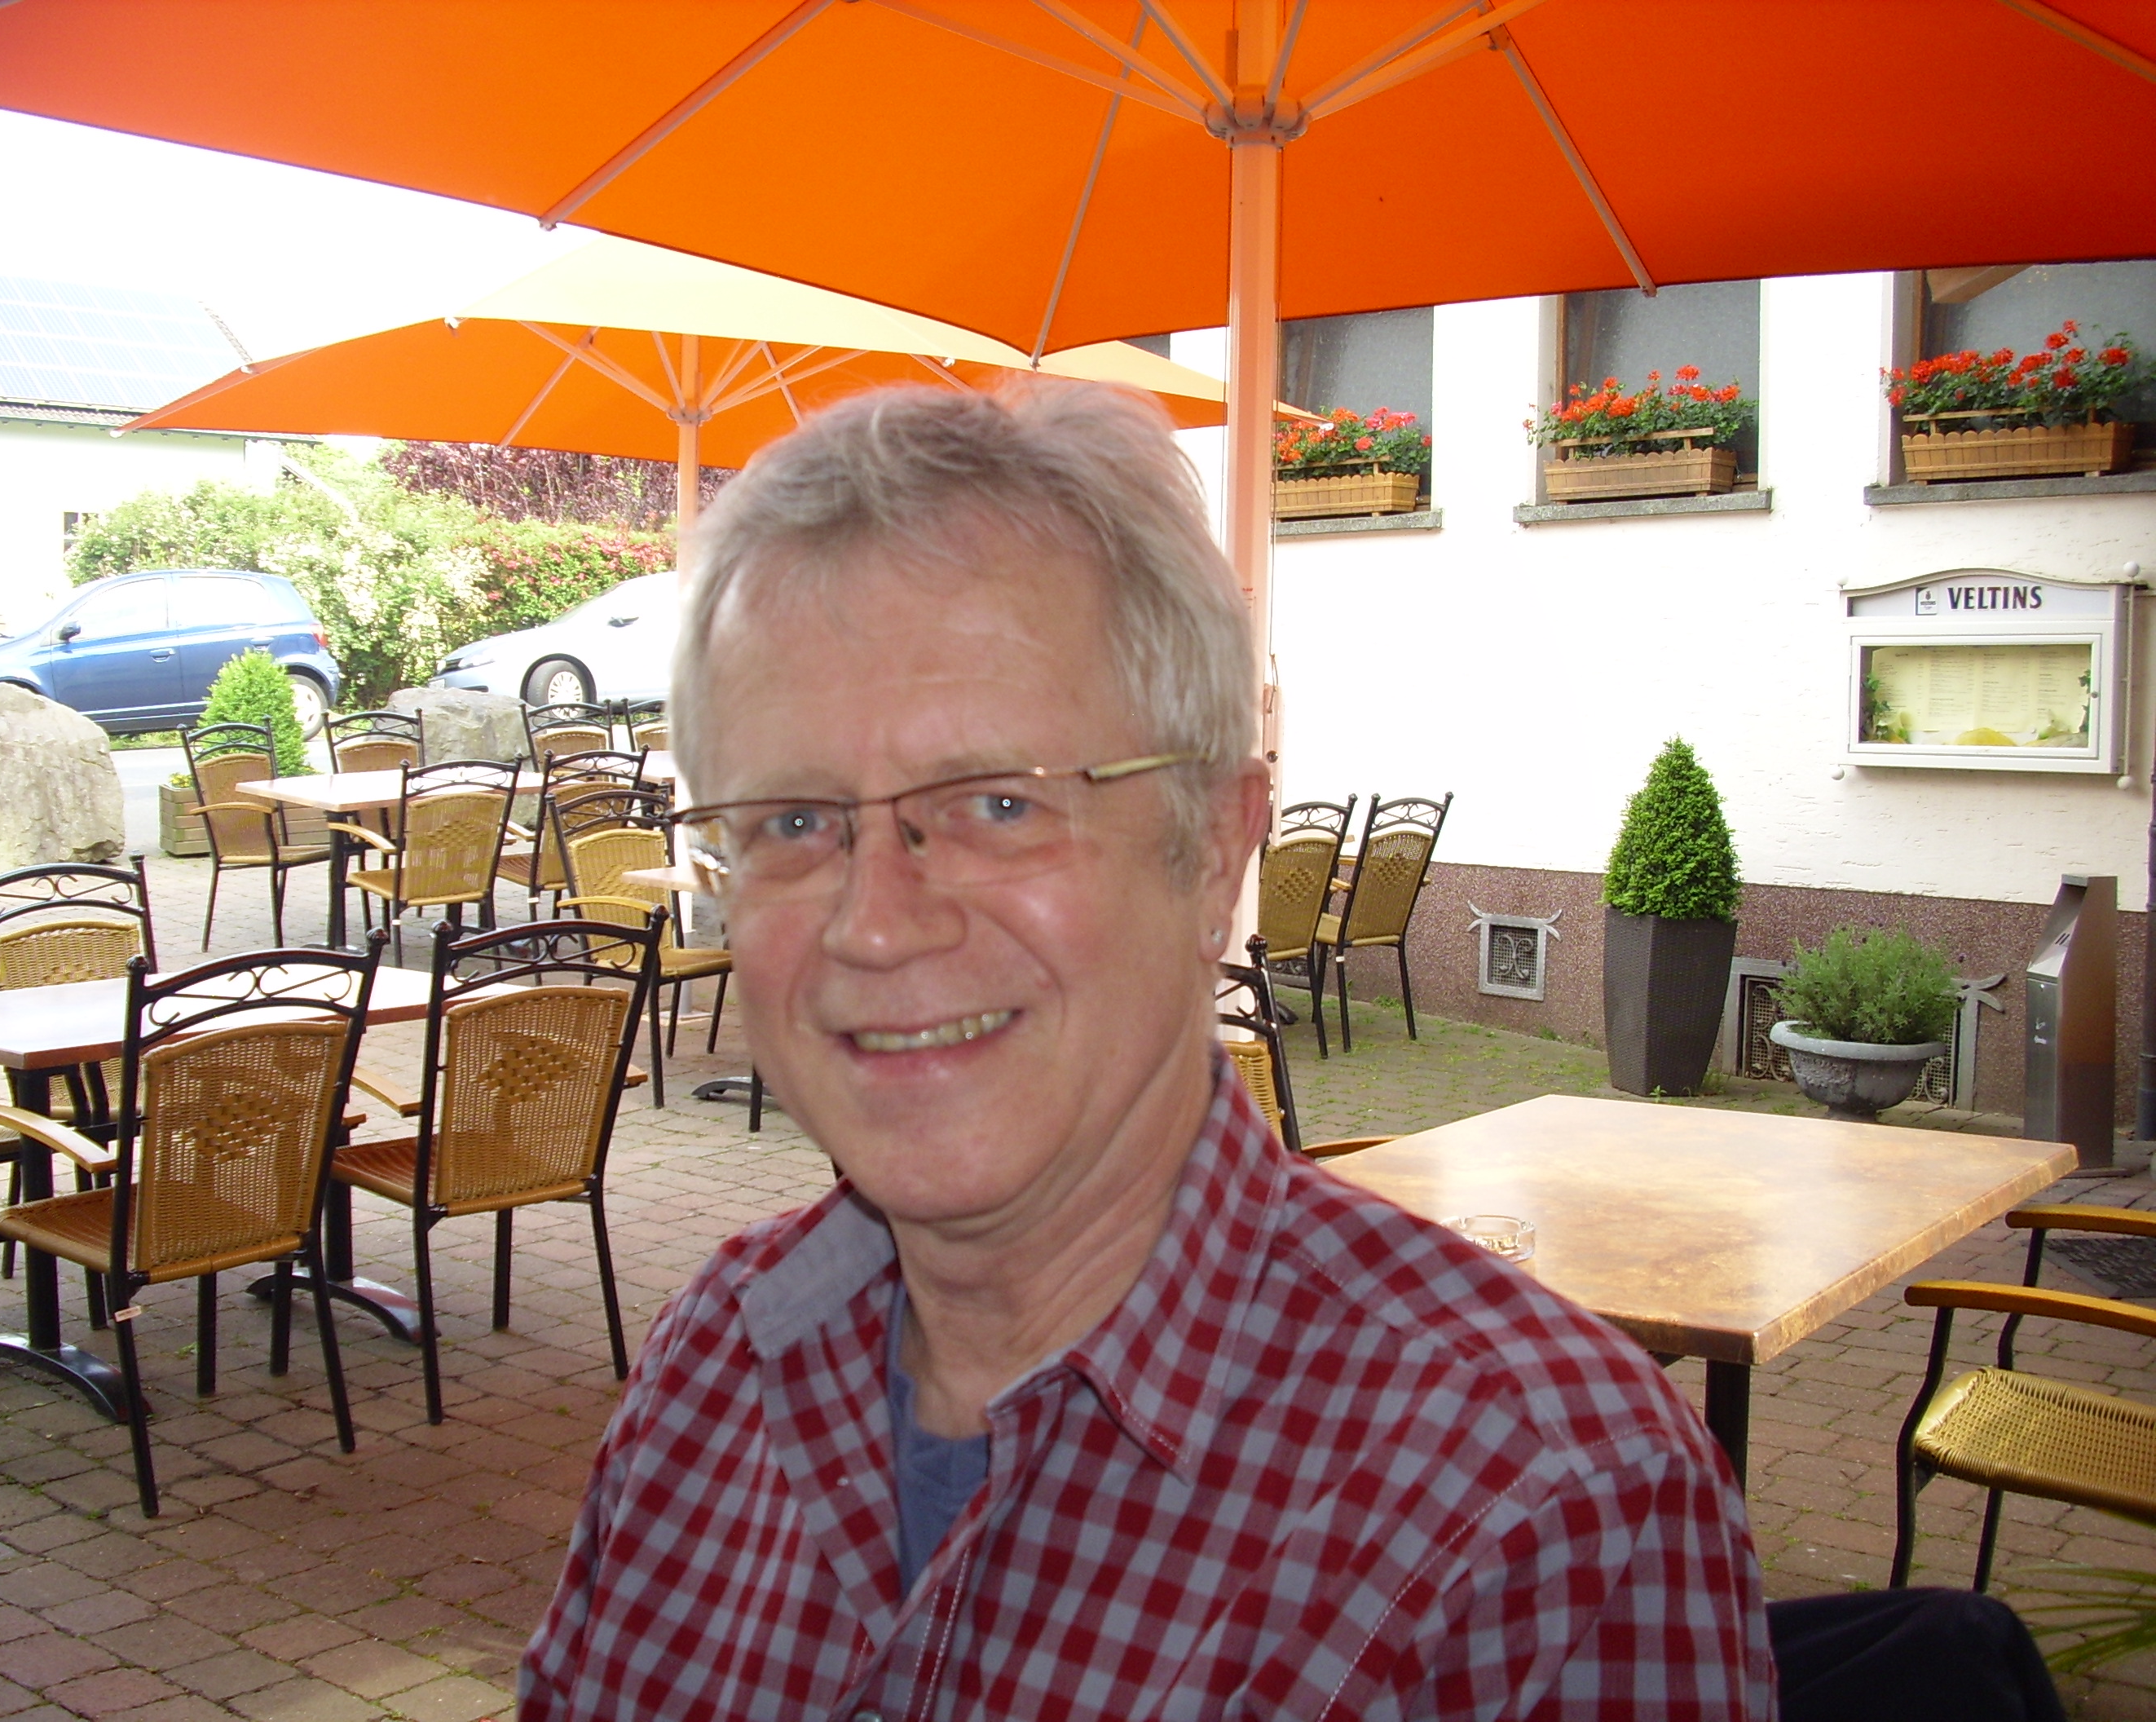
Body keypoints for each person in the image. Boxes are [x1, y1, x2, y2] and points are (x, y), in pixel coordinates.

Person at [519, 380, 1774, 1719]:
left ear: (1215, 848)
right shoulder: (715, 1357)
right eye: (789, 822)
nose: (875, 924)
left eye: (999, 804)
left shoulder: (1547, 1518)